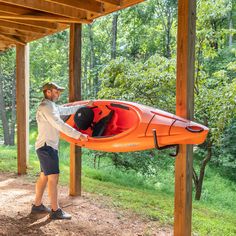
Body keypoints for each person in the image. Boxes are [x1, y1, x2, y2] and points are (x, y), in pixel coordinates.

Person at [31, 82, 91, 220]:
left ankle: (37, 205)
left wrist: (84, 106)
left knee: (44, 176)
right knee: (53, 177)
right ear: (48, 92)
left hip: (46, 146)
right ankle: (55, 210)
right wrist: (78, 135)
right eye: (56, 91)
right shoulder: (45, 107)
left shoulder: (51, 106)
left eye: (58, 92)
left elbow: (65, 110)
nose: (58, 94)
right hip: (47, 147)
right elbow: (59, 123)